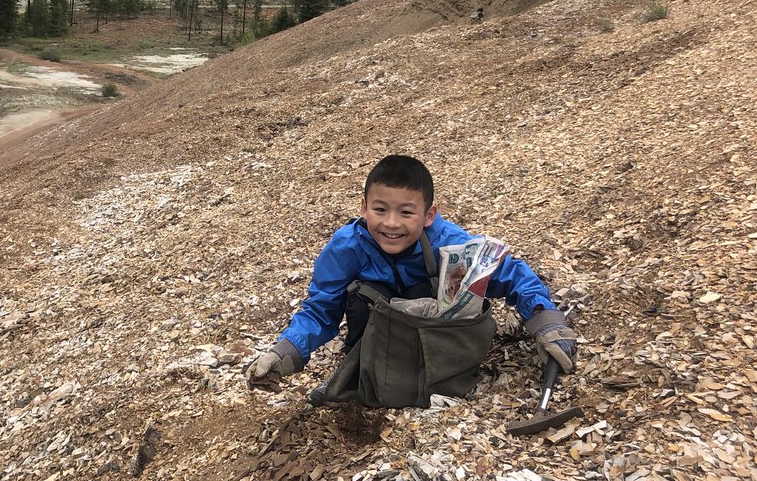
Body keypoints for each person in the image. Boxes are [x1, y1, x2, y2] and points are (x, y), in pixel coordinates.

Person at [247, 154, 576, 390]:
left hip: (443, 347)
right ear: (363, 207)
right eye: (379, 210)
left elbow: (508, 274)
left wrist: (544, 319)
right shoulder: (345, 248)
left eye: (406, 212)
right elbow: (321, 311)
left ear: (429, 214)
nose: (391, 223)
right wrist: (287, 352)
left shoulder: (450, 243)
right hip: (374, 351)